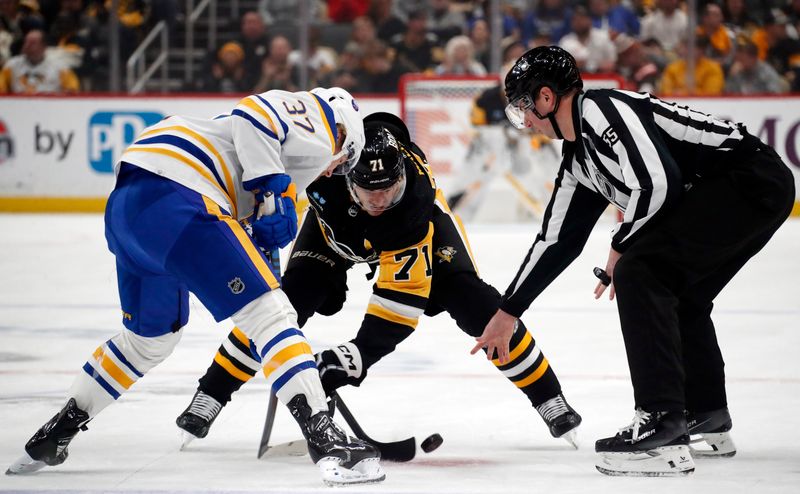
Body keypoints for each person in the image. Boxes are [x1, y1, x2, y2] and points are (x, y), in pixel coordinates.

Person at [6, 87, 386, 487]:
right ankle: (327, 441)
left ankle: (59, 429)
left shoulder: (268, 159)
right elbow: (254, 112)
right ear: (346, 137)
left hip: (131, 208)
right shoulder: (324, 120)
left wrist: (265, 217)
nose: (332, 172)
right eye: (342, 165)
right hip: (181, 195)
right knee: (271, 314)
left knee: (149, 340)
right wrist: (274, 190)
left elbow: (242, 215)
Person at [175, 113, 583, 450]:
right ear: (343, 175)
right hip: (332, 234)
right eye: (369, 190)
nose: (380, 200)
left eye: (389, 187)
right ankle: (210, 393)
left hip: (414, 238)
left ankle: (550, 399)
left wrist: (356, 356)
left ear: (403, 174)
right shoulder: (321, 171)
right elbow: (258, 169)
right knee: (282, 306)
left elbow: (400, 306)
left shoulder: (413, 205)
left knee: (472, 300)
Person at [476, 46, 795, 476]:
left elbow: (657, 183)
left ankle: (662, 423)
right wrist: (508, 310)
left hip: (748, 180)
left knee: (640, 272)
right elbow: (555, 241)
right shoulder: (577, 159)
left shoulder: (602, 110)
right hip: (747, 190)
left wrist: (620, 245)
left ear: (548, 98)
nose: (525, 121)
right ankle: (706, 413)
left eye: (524, 107)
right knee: (680, 293)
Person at [0, 28, 78, 94]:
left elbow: (71, 90)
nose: (27, 46)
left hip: (50, 108)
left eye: (32, 43)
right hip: (18, 107)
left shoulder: (60, 67)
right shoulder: (11, 65)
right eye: (26, 42)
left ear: (43, 46)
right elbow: (1, 87)